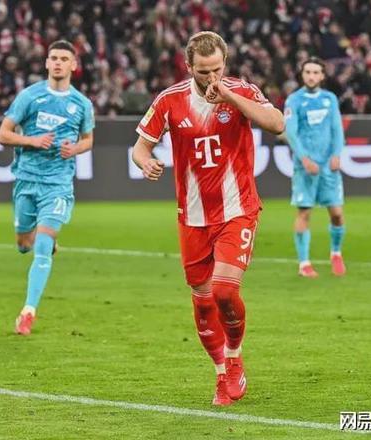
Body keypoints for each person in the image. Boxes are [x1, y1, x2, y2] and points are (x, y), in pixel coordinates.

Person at [131, 31, 284, 406]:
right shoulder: (169, 100)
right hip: (193, 216)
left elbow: (277, 123)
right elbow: (140, 147)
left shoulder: (241, 90)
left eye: (217, 69)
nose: (211, 77)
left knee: (225, 292)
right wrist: (145, 162)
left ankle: (234, 358)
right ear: (189, 67)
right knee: (203, 303)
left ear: (225, 63)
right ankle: (219, 373)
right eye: (203, 71)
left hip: (238, 209)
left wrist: (230, 96)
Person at [0, 40, 94, 336]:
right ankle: (44, 242)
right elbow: (3, 134)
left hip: (58, 184)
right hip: (27, 180)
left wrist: (74, 149)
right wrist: (32, 141)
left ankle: (28, 311)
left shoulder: (82, 104)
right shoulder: (30, 96)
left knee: (41, 246)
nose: (58, 63)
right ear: (47, 63)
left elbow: (88, 140)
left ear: (74, 65)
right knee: (23, 244)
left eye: (64, 58)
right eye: (54, 58)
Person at [284, 57, 346, 278]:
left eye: (315, 72)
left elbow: (337, 129)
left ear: (322, 76)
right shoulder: (294, 100)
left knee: (337, 214)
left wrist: (337, 154)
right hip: (305, 167)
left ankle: (336, 253)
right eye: (307, 72)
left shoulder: (330, 99)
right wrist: (304, 158)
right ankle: (304, 263)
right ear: (302, 75)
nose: (311, 76)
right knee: (304, 212)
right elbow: (291, 132)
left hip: (328, 165)